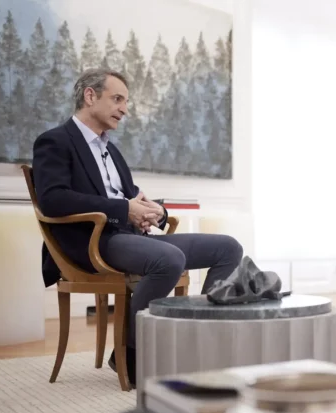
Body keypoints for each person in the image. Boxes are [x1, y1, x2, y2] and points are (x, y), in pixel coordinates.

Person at [32, 68, 244, 387]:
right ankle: (130, 354)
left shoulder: (111, 150)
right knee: (168, 259)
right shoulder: (56, 141)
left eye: (126, 102)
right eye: (117, 99)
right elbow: (52, 200)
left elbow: (130, 196)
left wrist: (156, 212)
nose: (125, 109)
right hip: (92, 242)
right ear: (90, 96)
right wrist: (124, 209)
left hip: (128, 236)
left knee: (228, 248)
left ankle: (203, 342)